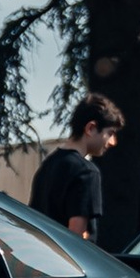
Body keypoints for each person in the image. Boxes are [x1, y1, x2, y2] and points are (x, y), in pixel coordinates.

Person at [32, 92, 123, 239]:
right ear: (91, 128)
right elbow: (76, 236)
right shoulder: (87, 172)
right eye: (110, 133)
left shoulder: (47, 165)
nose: (113, 142)